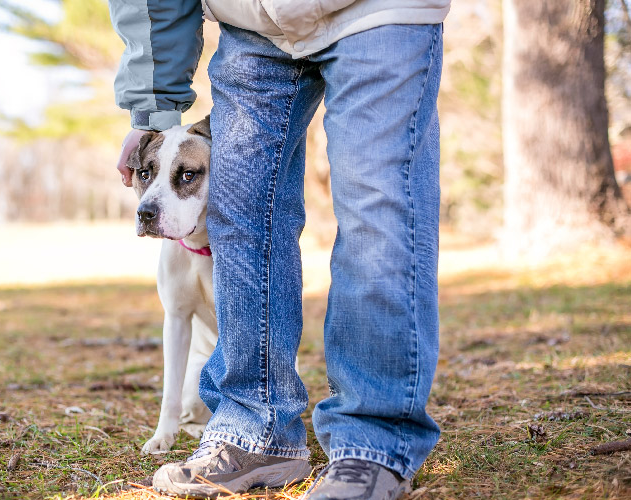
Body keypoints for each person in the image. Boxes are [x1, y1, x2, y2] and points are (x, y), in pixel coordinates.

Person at [109, 1, 450, 499]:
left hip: (379, 11)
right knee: (240, 214)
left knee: (377, 205)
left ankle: (373, 443)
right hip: (252, 26)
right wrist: (153, 105)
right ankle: (256, 427)